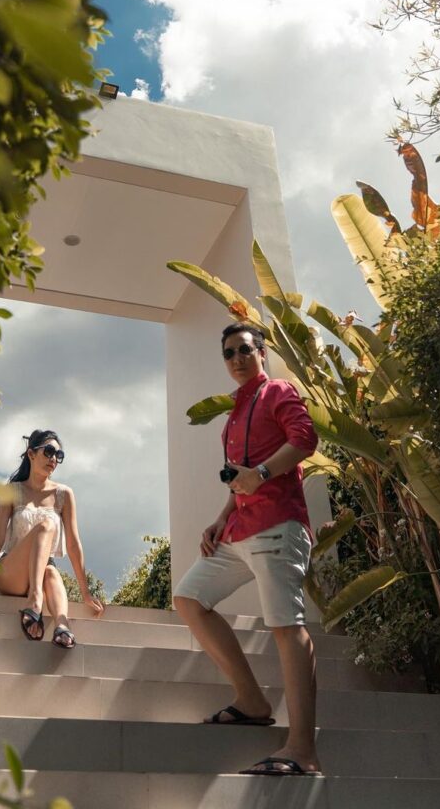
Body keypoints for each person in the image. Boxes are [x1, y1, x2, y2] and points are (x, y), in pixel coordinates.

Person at [173, 323, 322, 778]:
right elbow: (239, 478)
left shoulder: (277, 391)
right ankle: (252, 701)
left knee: (286, 626)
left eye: (244, 349)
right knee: (189, 599)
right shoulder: (234, 413)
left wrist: (261, 474)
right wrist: (221, 516)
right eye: (228, 353)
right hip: (239, 529)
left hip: (277, 524)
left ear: (262, 352)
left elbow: (305, 438)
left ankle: (303, 750)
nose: (236, 359)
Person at [0, 429, 104, 647]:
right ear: (31, 454)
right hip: (11, 572)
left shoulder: (64, 494)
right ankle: (35, 600)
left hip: (43, 570)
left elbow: (73, 544)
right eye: (48, 451)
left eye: (59, 455)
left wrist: (86, 593)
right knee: (46, 526)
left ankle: (62, 627)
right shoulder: (12, 490)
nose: (53, 459)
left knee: (51, 570)